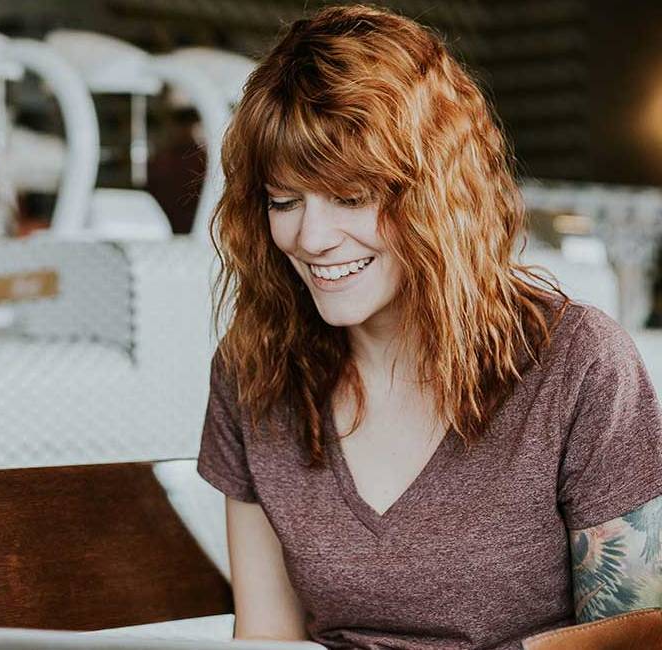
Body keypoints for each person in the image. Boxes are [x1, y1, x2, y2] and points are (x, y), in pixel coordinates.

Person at [196, 5, 662, 649]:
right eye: (285, 201)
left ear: (437, 195)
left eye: (352, 197)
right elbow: (267, 638)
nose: (312, 237)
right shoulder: (254, 370)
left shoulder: (578, 363)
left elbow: (635, 638)